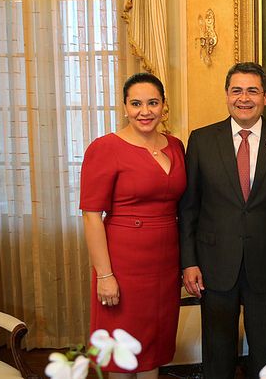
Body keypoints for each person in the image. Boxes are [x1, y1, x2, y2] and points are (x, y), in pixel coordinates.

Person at [178, 62, 266, 378]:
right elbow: (188, 208)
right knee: (217, 353)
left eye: (252, 90)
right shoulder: (201, 140)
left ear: (265, 96)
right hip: (214, 264)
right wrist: (189, 262)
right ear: (227, 95)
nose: (244, 98)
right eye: (236, 90)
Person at [80, 73, 186, 378]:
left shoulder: (176, 146)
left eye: (153, 103)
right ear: (125, 107)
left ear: (164, 105)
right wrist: (105, 275)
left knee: (153, 348)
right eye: (136, 103)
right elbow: (91, 215)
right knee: (122, 353)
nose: (145, 111)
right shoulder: (105, 147)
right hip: (124, 266)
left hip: (165, 265)